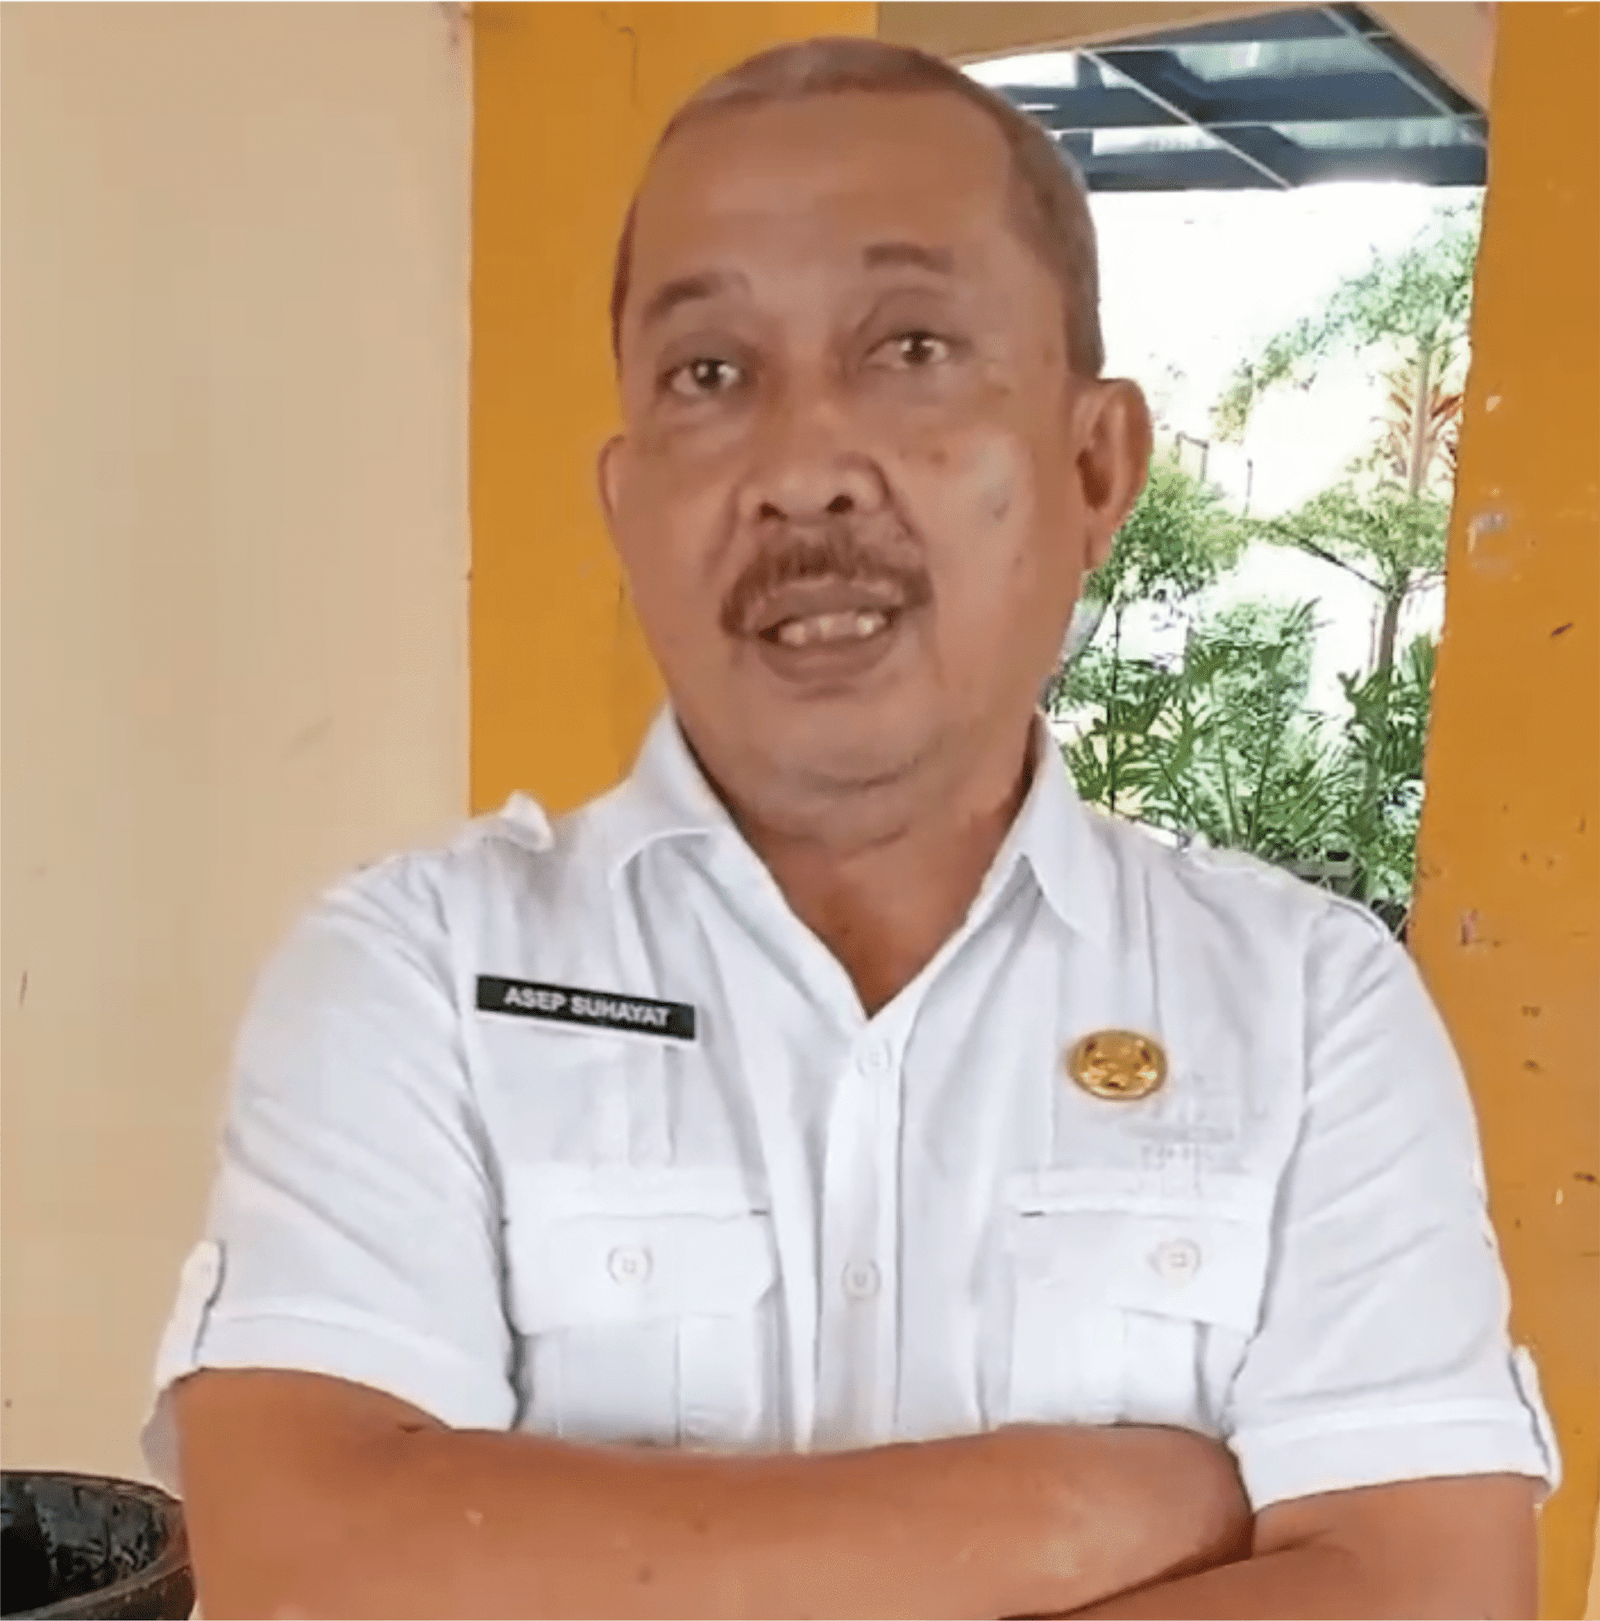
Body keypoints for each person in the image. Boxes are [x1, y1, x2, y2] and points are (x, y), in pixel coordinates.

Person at [147, 37, 1558, 1620]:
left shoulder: (1307, 1009)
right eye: (709, 374)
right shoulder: (415, 976)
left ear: (1095, 467)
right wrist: (1086, 1510)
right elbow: (310, 1563)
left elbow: (1429, 1591)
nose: (803, 470)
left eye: (912, 348)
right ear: (626, 504)